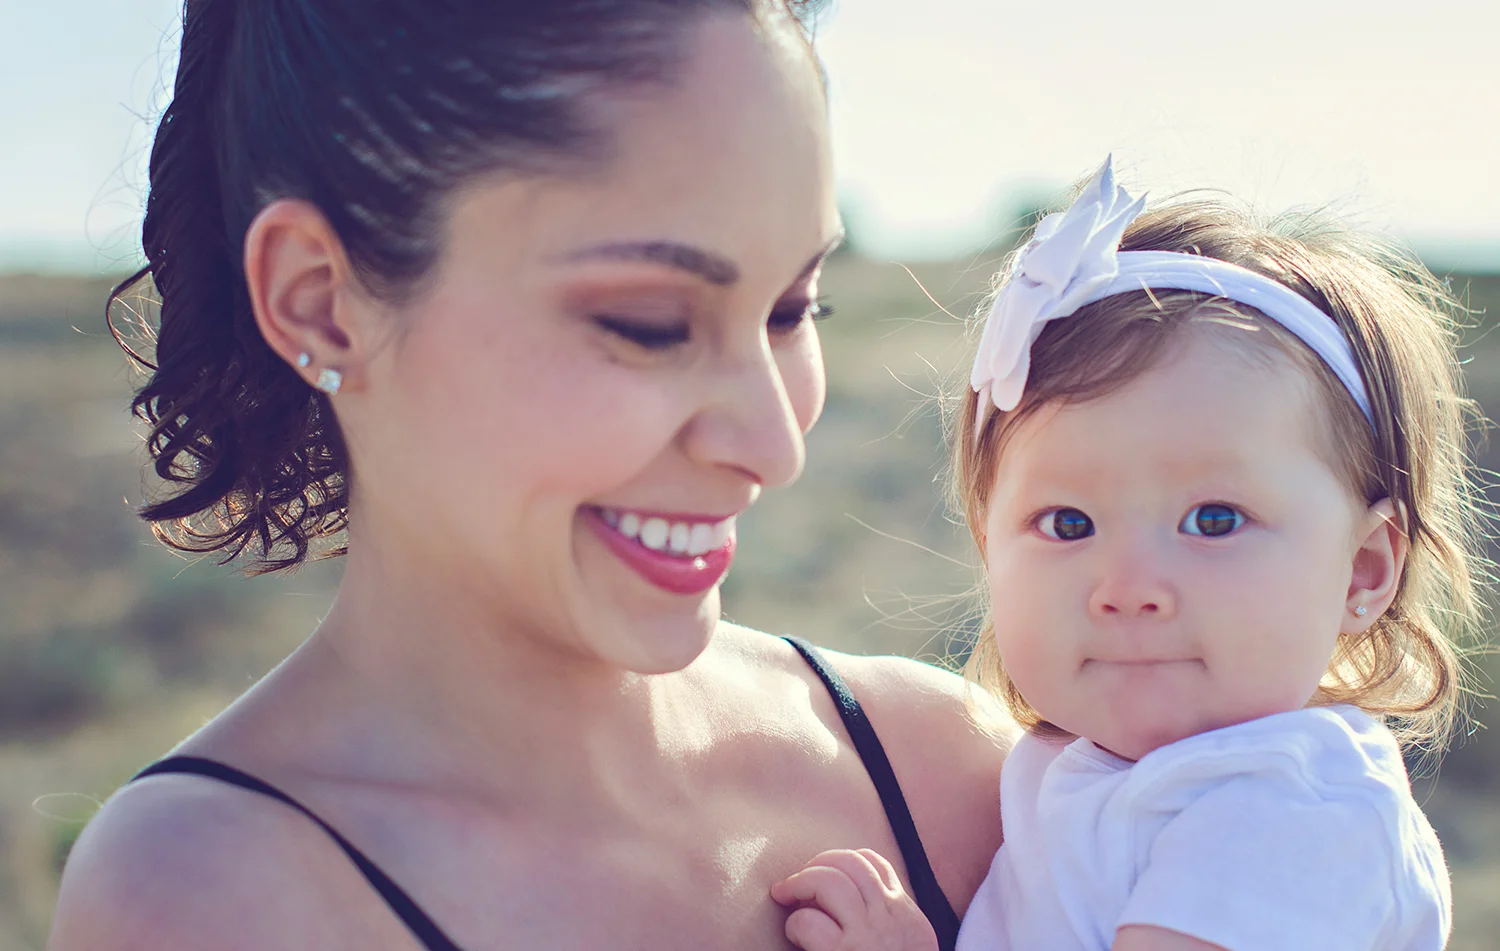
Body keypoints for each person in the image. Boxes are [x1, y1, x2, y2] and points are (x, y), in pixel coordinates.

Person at [46, 2, 1013, 949]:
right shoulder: (215, 899)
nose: (774, 443)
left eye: (791, 309)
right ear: (321, 303)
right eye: (648, 323)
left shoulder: (951, 773)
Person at [770, 158, 1484, 951]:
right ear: (989, 549)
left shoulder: (1291, 807)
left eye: (1214, 520)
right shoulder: (1079, 776)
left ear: (1364, 569)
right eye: (1068, 524)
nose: (1128, 587)